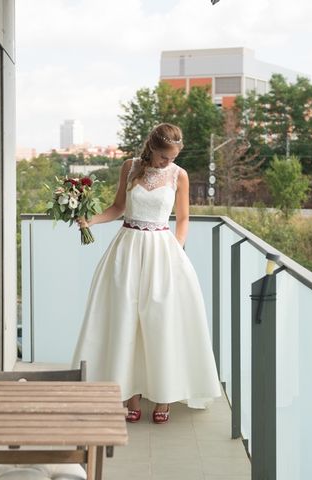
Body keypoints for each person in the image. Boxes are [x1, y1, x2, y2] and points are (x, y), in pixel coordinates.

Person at [72, 123, 221, 424]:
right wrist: (90, 221)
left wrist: (176, 250)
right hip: (127, 249)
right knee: (126, 318)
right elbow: (117, 208)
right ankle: (131, 394)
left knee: (161, 320)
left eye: (173, 157)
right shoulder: (130, 167)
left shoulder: (179, 175)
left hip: (162, 252)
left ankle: (163, 396)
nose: (169, 162)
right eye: (165, 157)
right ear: (152, 148)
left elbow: (183, 218)